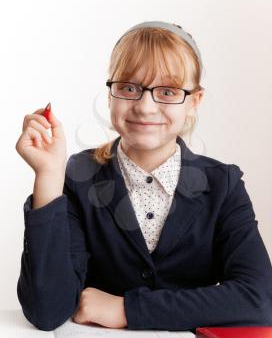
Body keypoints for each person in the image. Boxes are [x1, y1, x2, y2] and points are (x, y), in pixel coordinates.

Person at [15, 20, 272, 332]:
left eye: (167, 91)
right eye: (129, 88)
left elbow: (259, 299)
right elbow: (47, 310)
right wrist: (49, 175)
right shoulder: (77, 177)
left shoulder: (223, 184)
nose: (145, 107)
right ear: (110, 95)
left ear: (194, 102)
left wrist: (125, 309)